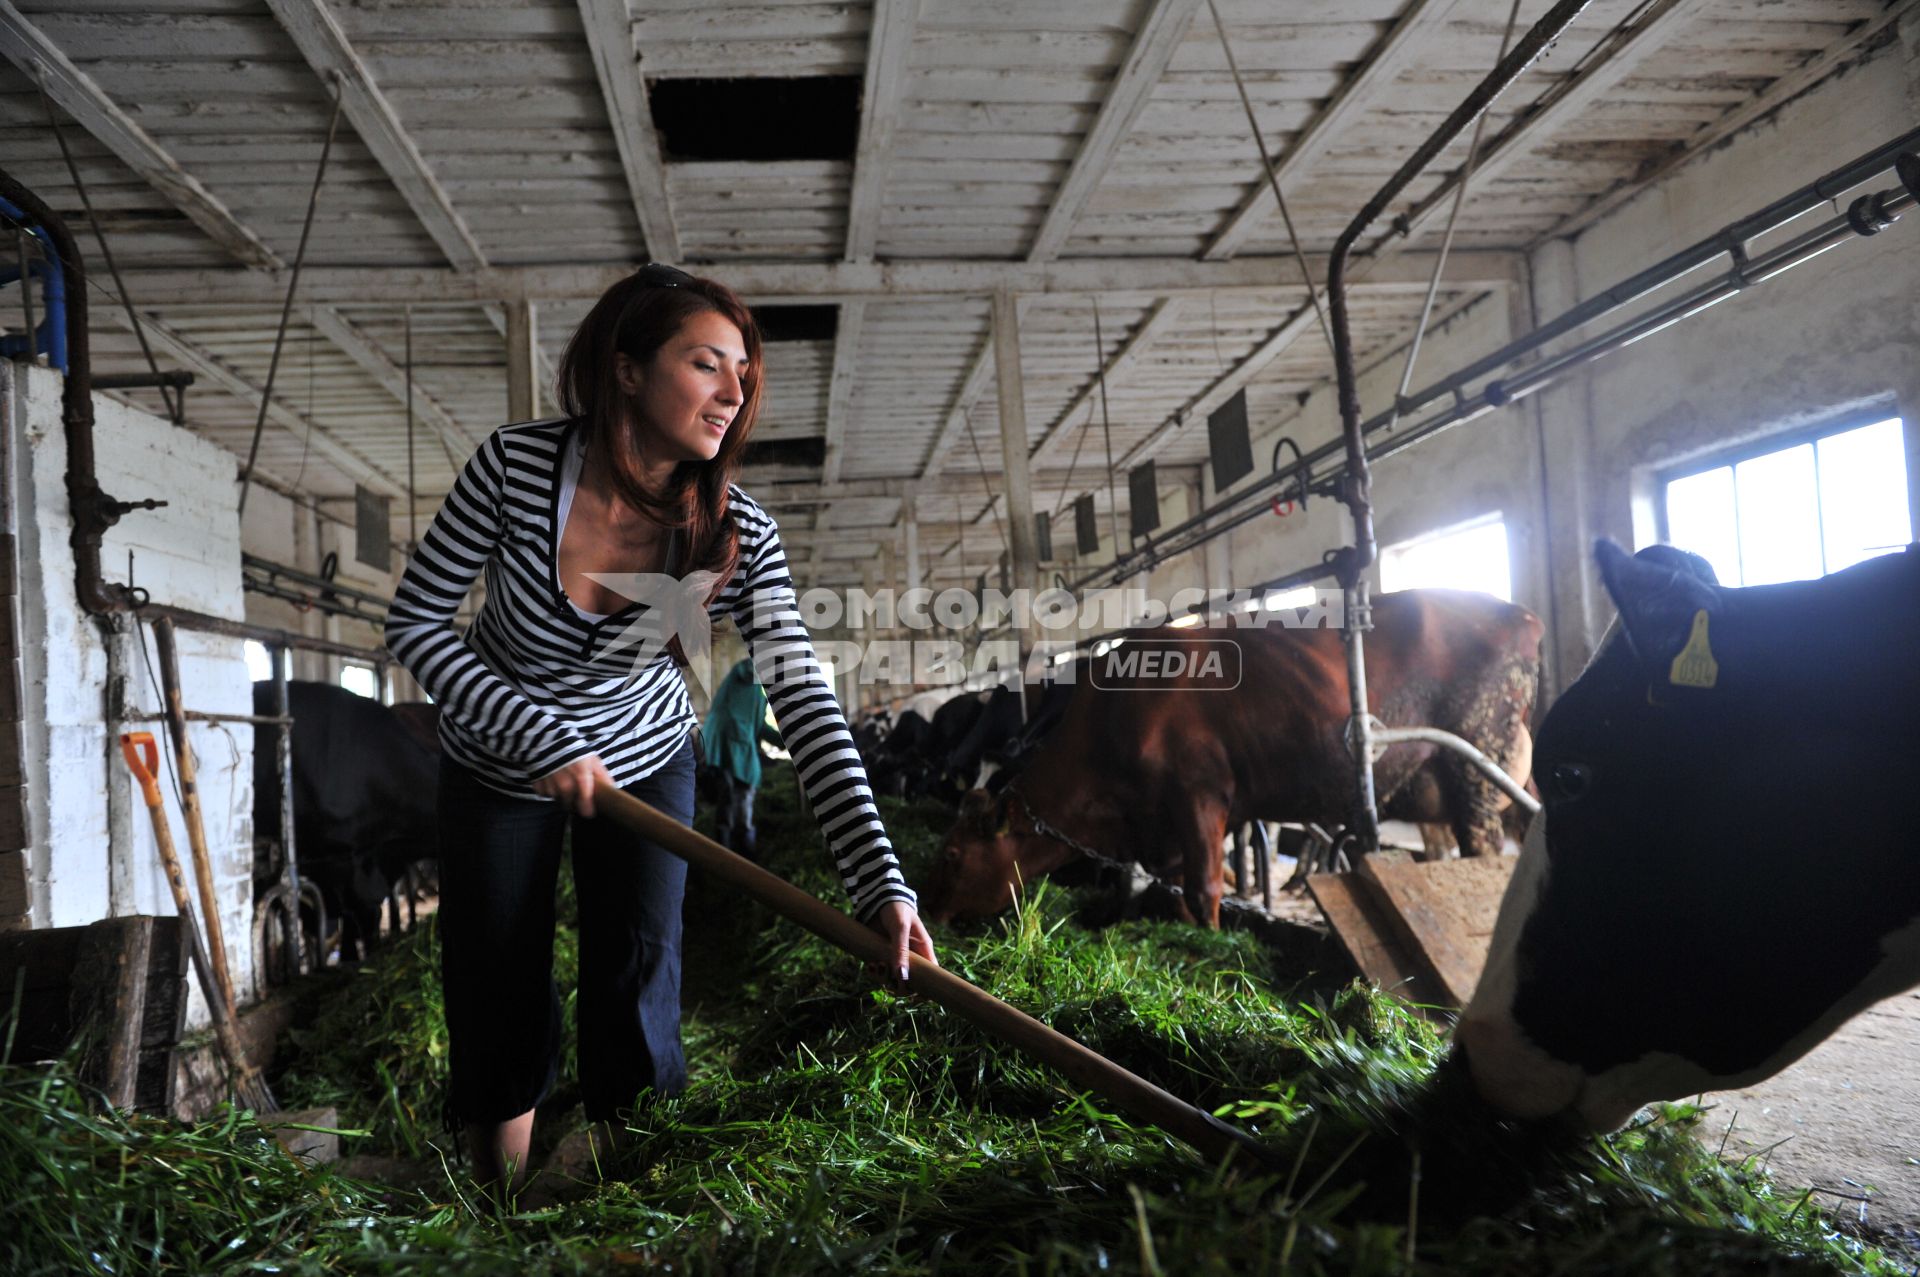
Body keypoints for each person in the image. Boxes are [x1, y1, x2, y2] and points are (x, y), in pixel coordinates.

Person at [384, 263, 938, 1196]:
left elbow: (804, 698)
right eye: (706, 363)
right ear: (628, 368)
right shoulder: (515, 471)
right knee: (497, 971)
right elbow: (414, 626)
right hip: (498, 760)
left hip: (644, 754)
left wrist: (879, 879)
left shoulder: (738, 531)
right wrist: (537, 736)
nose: (734, 392)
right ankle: (494, 1212)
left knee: (639, 970)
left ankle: (630, 1194)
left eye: (743, 373)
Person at [701, 655, 780, 858]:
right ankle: (743, 854)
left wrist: (783, 740)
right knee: (739, 798)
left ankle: (725, 856)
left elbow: (759, 725)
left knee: (728, 800)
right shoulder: (750, 683)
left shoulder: (742, 685)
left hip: (722, 749)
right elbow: (760, 726)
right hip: (733, 748)